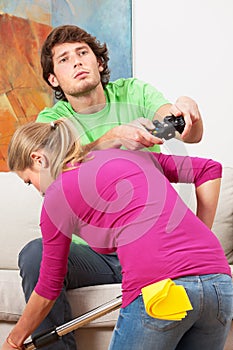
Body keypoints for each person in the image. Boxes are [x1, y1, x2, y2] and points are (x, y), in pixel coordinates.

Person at [18, 24, 204, 349]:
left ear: (99, 63)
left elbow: (183, 129)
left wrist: (186, 114)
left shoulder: (134, 93)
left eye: (83, 53)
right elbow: (58, 169)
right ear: (53, 79)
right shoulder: (52, 119)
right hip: (95, 256)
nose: (77, 62)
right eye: (64, 59)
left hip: (150, 244)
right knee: (35, 254)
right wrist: (111, 139)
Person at [3, 118, 232, 350]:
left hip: (161, 289)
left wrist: (13, 340)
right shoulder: (128, 156)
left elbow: (48, 287)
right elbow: (208, 169)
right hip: (219, 285)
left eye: (29, 181)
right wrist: (201, 239)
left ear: (38, 159)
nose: (37, 190)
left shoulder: (57, 195)